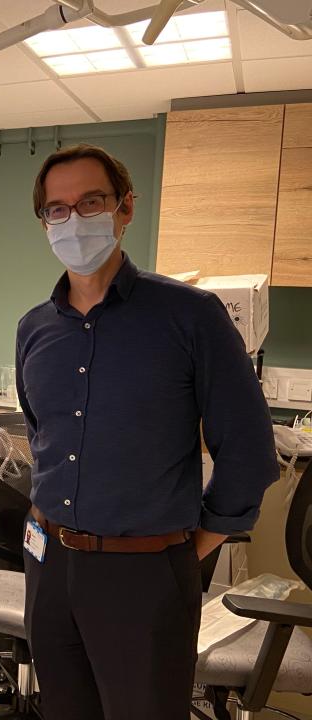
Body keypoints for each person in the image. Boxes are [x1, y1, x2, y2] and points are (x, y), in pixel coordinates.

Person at [15, 143, 279, 720]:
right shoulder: (34, 330)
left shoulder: (190, 316)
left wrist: (188, 551)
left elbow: (251, 453)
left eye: (91, 202)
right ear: (44, 222)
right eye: (57, 210)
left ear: (125, 207)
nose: (73, 219)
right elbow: (43, 440)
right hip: (49, 565)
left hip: (146, 571)